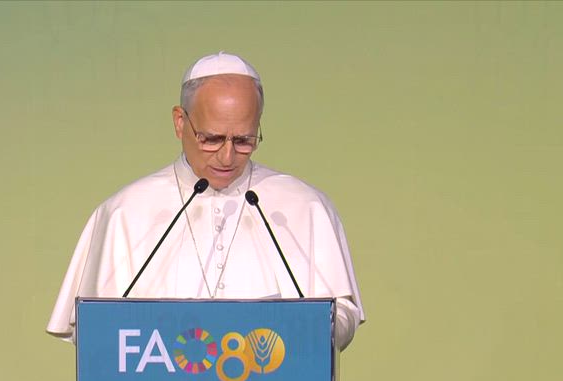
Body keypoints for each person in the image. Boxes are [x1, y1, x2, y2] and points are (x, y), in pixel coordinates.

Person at [46, 52, 365, 349]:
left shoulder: (305, 206)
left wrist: (306, 330)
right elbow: (95, 333)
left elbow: (343, 314)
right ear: (180, 122)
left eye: (244, 140)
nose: (227, 156)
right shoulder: (124, 213)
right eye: (211, 139)